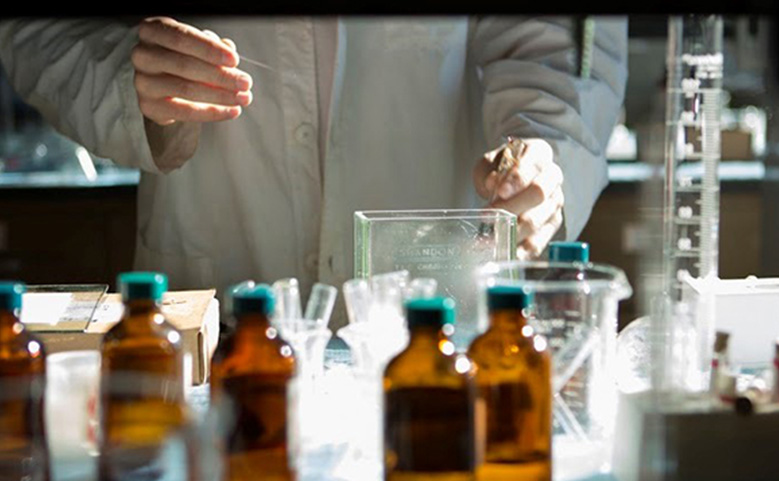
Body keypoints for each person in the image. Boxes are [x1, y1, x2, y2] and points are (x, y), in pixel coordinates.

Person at [0, 16, 626, 322]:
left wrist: (543, 154)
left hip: (435, 296)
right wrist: (122, 78)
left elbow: (559, 46)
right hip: (218, 279)